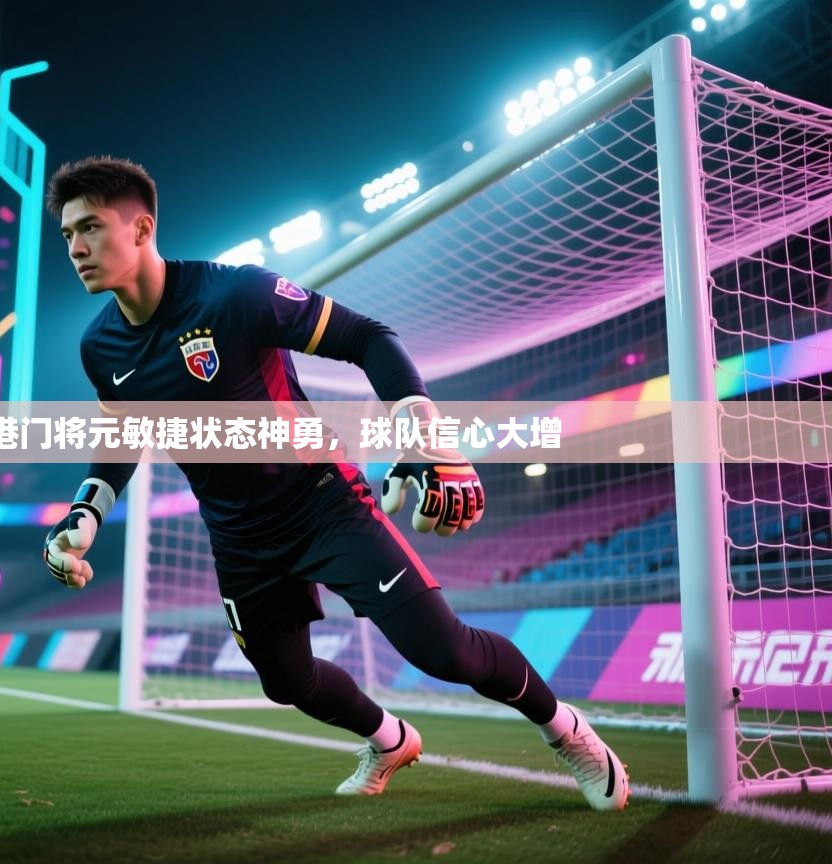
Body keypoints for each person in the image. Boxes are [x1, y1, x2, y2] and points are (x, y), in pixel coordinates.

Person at [41, 156, 629, 811]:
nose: (75, 248)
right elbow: (122, 431)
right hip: (237, 538)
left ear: (142, 228)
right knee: (285, 682)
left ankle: (568, 731)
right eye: (67, 235)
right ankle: (389, 739)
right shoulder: (100, 347)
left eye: (90, 228)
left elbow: (367, 338)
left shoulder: (234, 295)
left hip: (321, 503)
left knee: (446, 653)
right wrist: (85, 513)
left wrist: (422, 434)